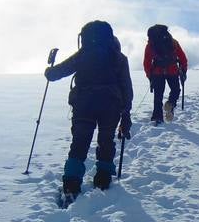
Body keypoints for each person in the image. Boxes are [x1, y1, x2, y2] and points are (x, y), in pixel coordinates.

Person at [45, 20, 133, 202]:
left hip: (84, 104)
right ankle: (103, 179)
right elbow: (126, 88)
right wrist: (126, 113)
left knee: (79, 142)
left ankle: (71, 184)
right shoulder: (119, 58)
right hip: (110, 105)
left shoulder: (83, 54)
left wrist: (49, 71)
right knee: (106, 141)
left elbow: (59, 72)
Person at [143, 24, 188, 124]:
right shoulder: (173, 42)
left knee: (158, 95)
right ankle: (170, 104)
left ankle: (157, 117)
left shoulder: (151, 45)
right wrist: (183, 70)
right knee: (176, 90)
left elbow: (147, 62)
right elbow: (183, 58)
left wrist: (149, 75)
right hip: (172, 70)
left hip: (157, 72)